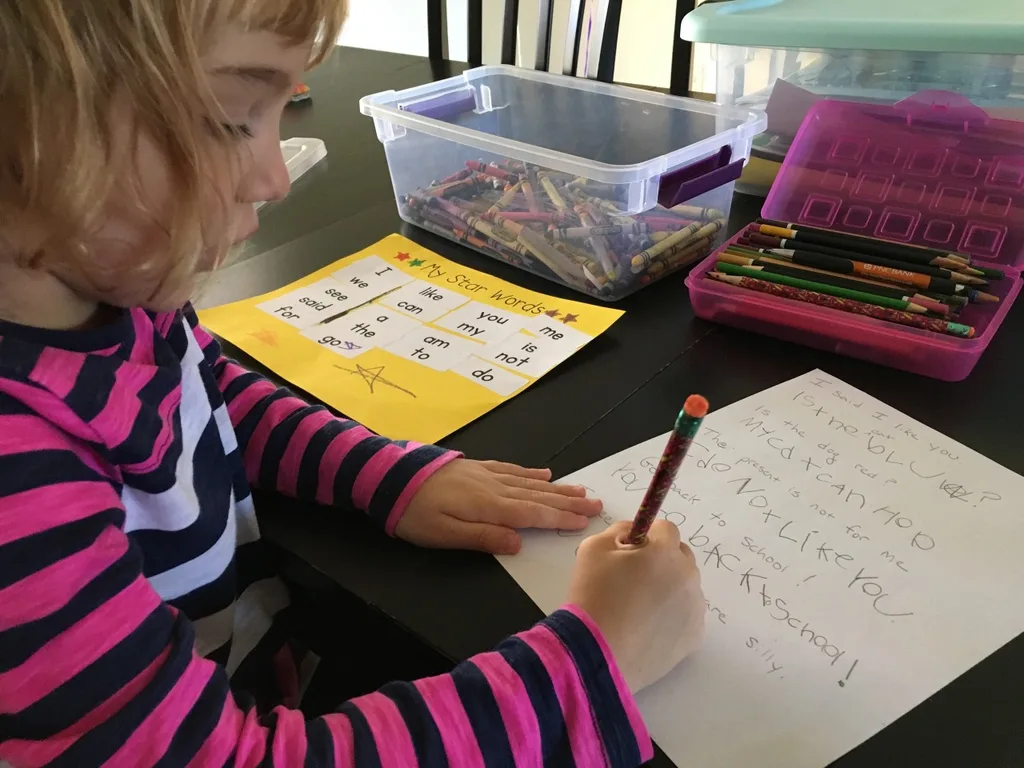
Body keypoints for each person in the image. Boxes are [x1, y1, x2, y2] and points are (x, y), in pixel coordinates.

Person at [0, 1, 707, 765]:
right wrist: (596, 665)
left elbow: (206, 393)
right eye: (232, 119)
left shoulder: (115, 296)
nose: (275, 176)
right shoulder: (18, 482)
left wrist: (380, 472)